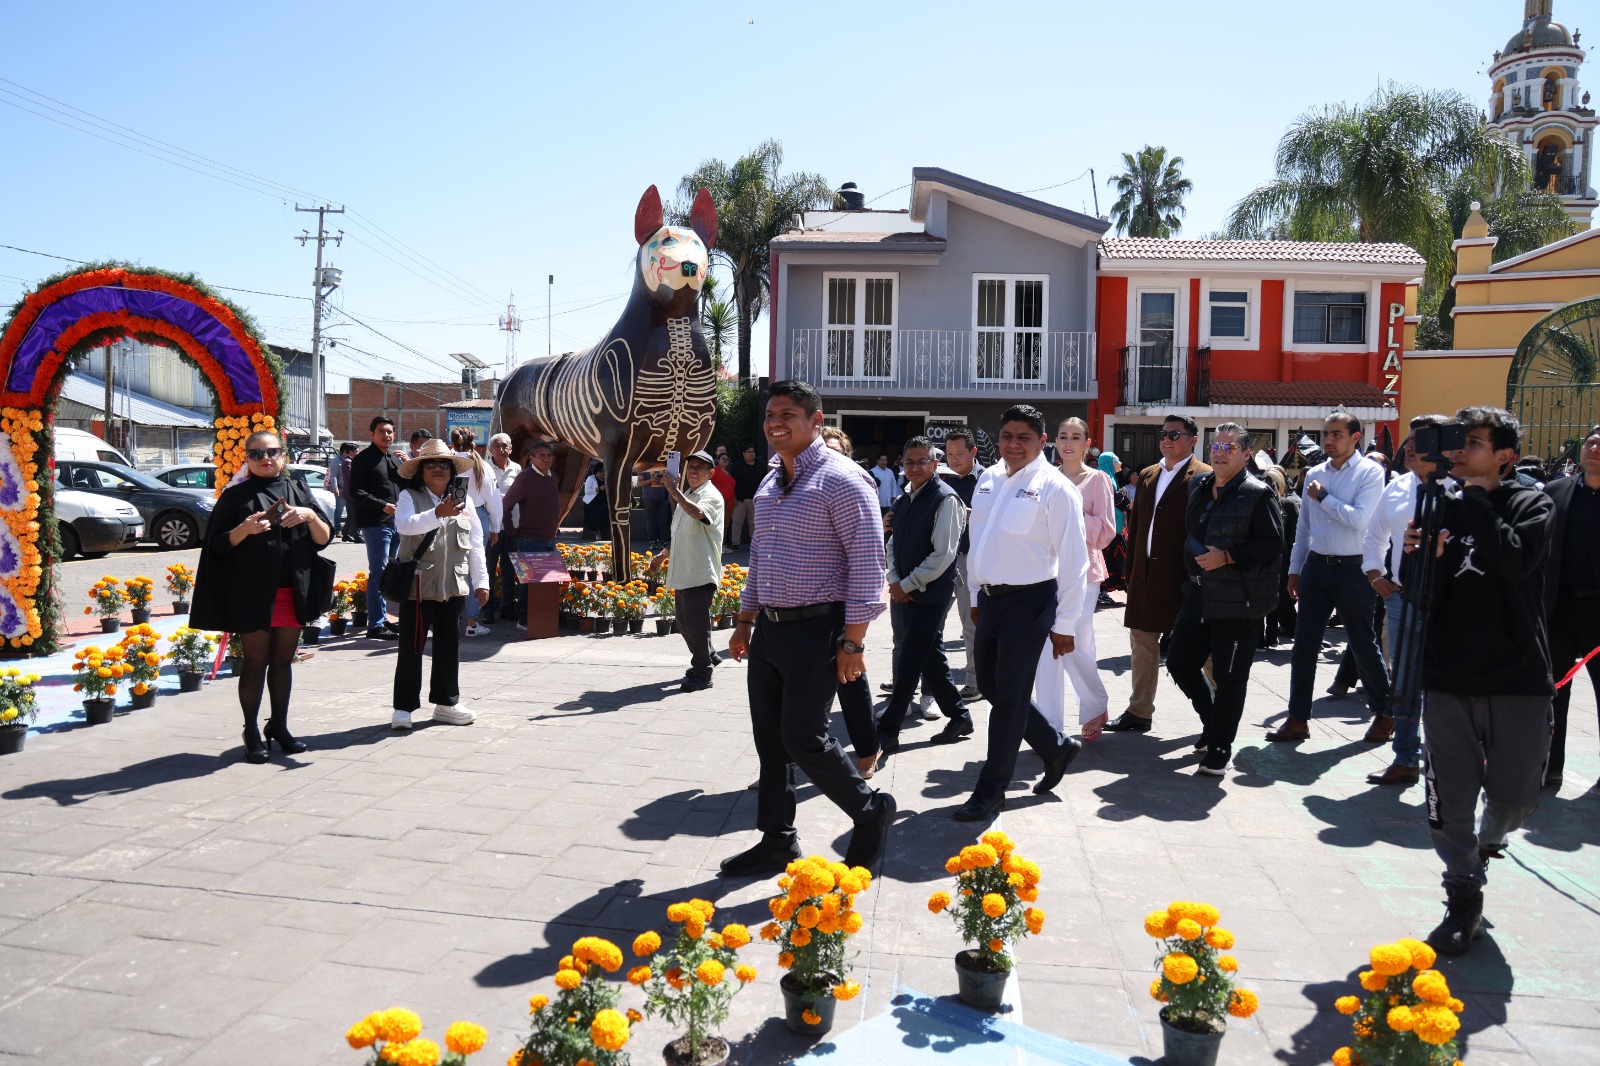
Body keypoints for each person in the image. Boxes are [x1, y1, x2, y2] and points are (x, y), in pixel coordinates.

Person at [722, 380, 895, 876]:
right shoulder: (772, 479)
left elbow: (867, 565)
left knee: (804, 736)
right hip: (772, 630)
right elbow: (761, 557)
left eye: (789, 414)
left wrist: (854, 642)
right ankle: (777, 840)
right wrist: (744, 620)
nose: (776, 422)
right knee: (770, 740)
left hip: (820, 629)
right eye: (770, 414)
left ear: (816, 421)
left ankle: (869, 809)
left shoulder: (843, 479)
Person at [1404, 406, 1553, 956]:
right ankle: (1463, 893)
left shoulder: (1531, 504)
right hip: (1446, 676)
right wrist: (1419, 558)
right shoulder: (1440, 504)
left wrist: (1472, 501)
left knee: (1516, 798)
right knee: (1448, 801)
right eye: (1457, 442)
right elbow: (1419, 595)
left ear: (1506, 456)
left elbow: (1513, 561)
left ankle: (1490, 842)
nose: (1459, 451)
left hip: (1517, 677)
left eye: (1474, 443)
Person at [956, 404, 1088, 821]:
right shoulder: (989, 480)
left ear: (1042, 442)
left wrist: (1066, 623)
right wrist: (976, 596)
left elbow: (1074, 560)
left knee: (1007, 700)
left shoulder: (1055, 487)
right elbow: (978, 541)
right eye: (1007, 436)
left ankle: (992, 789)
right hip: (991, 601)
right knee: (995, 689)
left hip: (1031, 602)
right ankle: (1055, 746)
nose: (1013, 445)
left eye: (1024, 438)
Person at [190, 431, 332, 762]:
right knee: (255, 661)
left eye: (272, 451)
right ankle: (251, 730)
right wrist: (244, 530)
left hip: (291, 591)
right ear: (247, 459)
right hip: (252, 592)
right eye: (256, 454)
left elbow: (323, 539)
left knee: (283, 661)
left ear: (283, 455)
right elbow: (216, 545)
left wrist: (310, 516)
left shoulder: (297, 489)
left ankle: (278, 727)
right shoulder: (235, 496)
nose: (265, 458)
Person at [1165, 424, 1283, 775]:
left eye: (1229, 447)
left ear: (1246, 454)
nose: (1219, 452)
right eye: (1215, 445)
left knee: (1231, 677)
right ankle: (1212, 720)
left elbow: (1272, 545)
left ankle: (1219, 746)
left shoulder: (1258, 494)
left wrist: (1227, 557)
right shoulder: (1199, 487)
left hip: (1239, 602)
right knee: (1180, 663)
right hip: (1199, 593)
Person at [1269, 411, 1390, 741]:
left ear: (1355, 438)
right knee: (1303, 645)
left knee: (1363, 642)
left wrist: (1324, 497)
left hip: (1355, 569)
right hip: (1317, 569)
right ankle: (1298, 718)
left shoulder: (1370, 473)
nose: (1329, 440)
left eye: (1336, 434)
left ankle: (1384, 712)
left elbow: (1361, 520)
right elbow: (1304, 529)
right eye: (1326, 434)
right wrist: (1295, 570)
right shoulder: (1314, 474)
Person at [1106, 415, 1211, 733]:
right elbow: (1137, 528)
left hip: (1186, 579)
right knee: (1142, 641)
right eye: (1163, 434)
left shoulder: (1205, 476)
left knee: (1202, 651)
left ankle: (1220, 711)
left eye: (1175, 434)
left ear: (1193, 439)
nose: (1167, 439)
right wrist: (1131, 572)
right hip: (1146, 576)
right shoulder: (1149, 474)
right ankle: (1139, 711)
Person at [1362, 416, 1452, 784]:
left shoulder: (1462, 490)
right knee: (1402, 680)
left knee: (1445, 685)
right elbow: (1375, 534)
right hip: (1401, 600)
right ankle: (1405, 756)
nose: (1408, 447)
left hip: (1448, 607)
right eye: (1409, 440)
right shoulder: (1397, 487)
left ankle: (1447, 760)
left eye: (1419, 440)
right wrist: (1376, 575)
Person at [875, 436, 972, 758]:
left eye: (922, 462)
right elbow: (892, 544)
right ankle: (959, 717)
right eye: (909, 462)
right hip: (903, 590)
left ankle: (888, 729)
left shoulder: (946, 499)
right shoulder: (903, 500)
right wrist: (894, 579)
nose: (915, 467)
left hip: (930, 595)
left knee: (910, 660)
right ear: (902, 465)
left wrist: (909, 584)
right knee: (930, 657)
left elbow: (944, 555)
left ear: (934, 465)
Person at [390, 439, 489, 730]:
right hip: (418, 586)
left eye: (444, 464)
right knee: (412, 646)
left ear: (451, 469)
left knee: (448, 647)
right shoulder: (409, 496)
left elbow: (476, 543)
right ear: (421, 470)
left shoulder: (465, 500)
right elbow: (405, 526)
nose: (438, 469)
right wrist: (437, 514)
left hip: (453, 585)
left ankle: (446, 703)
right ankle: (404, 707)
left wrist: (481, 581)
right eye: (430, 464)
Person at [1038, 418, 1115, 741]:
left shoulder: (1097, 480)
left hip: (1085, 571)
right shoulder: (1046, 478)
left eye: (1076, 437)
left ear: (1087, 443)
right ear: (1055, 441)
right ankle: (1049, 723)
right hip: (1046, 572)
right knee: (1048, 647)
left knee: (1074, 641)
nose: (1069, 443)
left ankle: (1094, 704)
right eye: (1063, 436)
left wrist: (1072, 514)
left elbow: (1107, 531)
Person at [1542, 423, 1600, 793]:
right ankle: (1549, 768)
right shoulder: (1556, 491)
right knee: (1551, 694)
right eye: (1591, 442)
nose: (1594, 448)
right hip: (1558, 610)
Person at [650, 451, 725, 692]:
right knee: (684, 623)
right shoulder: (689, 495)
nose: (693, 471)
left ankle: (703, 672)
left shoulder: (710, 495)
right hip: (685, 572)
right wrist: (662, 555)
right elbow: (680, 534)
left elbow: (698, 514)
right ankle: (707, 655)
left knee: (695, 625)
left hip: (699, 573)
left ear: (710, 473)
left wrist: (673, 490)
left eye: (699, 468)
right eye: (690, 466)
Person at [349, 416, 406, 639]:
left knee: (388, 573)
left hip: (396, 523)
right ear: (371, 434)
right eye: (382, 431)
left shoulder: (394, 459)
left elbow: (406, 486)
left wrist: (409, 461)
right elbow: (355, 491)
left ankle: (382, 620)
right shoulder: (363, 459)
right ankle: (375, 625)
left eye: (390, 431)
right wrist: (382, 506)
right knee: (379, 573)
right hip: (375, 524)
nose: (387, 435)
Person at [940, 429, 985, 701]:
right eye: (950, 454)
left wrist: (973, 515)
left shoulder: (987, 480)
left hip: (971, 560)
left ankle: (974, 681)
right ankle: (918, 678)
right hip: (940, 560)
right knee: (929, 622)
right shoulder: (940, 477)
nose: (954, 459)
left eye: (959, 454)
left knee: (970, 623)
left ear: (974, 453)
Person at [501, 441, 562, 630]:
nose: (546, 459)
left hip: (549, 539)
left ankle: (542, 619)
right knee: (529, 583)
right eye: (541, 455)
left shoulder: (552, 476)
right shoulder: (525, 477)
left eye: (549, 456)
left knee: (545, 583)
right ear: (532, 458)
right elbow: (506, 504)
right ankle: (524, 620)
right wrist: (511, 529)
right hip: (530, 539)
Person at [450, 427, 502, 638]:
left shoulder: (447, 462)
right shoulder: (482, 466)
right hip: (478, 515)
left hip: (449, 512)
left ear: (453, 444)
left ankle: (451, 617)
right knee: (474, 567)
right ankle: (472, 622)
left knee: (451, 565)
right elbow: (494, 500)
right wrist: (495, 527)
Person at [1260, 466, 1299, 647]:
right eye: (1265, 481)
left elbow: (1295, 536)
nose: (1268, 485)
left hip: (1282, 561)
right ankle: (1259, 638)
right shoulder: (1258, 503)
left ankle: (1272, 633)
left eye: (1272, 482)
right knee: (1259, 599)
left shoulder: (1288, 505)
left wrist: (1295, 565)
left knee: (1277, 599)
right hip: (1260, 561)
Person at [485, 433, 521, 623]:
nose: (501, 450)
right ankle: (487, 610)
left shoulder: (517, 468)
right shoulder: (483, 468)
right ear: (491, 449)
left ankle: (507, 608)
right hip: (492, 528)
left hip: (512, 527)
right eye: (497, 446)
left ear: (511, 449)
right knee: (488, 570)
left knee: (509, 571)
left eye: (505, 446)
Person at [1098, 450, 1127, 601]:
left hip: (1113, 525)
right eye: (1117, 460)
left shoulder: (1109, 477)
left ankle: (1103, 590)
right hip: (1109, 527)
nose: (1120, 463)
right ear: (1109, 463)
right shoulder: (1104, 477)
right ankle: (1100, 590)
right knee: (1109, 557)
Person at [728, 445, 763, 549]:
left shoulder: (760, 466)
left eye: (752, 451)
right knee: (737, 522)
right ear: (743, 454)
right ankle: (735, 543)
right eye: (748, 451)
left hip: (755, 501)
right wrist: (734, 498)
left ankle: (755, 544)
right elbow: (731, 483)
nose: (751, 453)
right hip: (740, 500)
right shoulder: (736, 466)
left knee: (754, 524)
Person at [328, 442, 360, 543]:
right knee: (340, 510)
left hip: (347, 489)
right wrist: (335, 488)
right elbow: (333, 475)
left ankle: (346, 533)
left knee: (350, 513)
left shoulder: (348, 460)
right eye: (356, 451)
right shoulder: (337, 461)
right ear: (347, 451)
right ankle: (338, 530)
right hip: (342, 489)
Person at [710, 453, 737, 546]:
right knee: (717, 525)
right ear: (718, 460)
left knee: (725, 526)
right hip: (718, 502)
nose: (726, 460)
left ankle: (722, 545)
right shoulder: (715, 470)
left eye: (727, 459)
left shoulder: (729, 473)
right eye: (723, 458)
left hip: (729, 503)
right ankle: (715, 545)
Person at [581, 460, 608, 541]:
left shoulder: (606, 479)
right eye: (600, 472)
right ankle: (597, 532)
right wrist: (599, 488)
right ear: (596, 472)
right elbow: (587, 491)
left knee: (607, 510)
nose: (602, 474)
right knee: (597, 512)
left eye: (604, 472)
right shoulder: (591, 479)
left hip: (604, 501)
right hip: (592, 502)